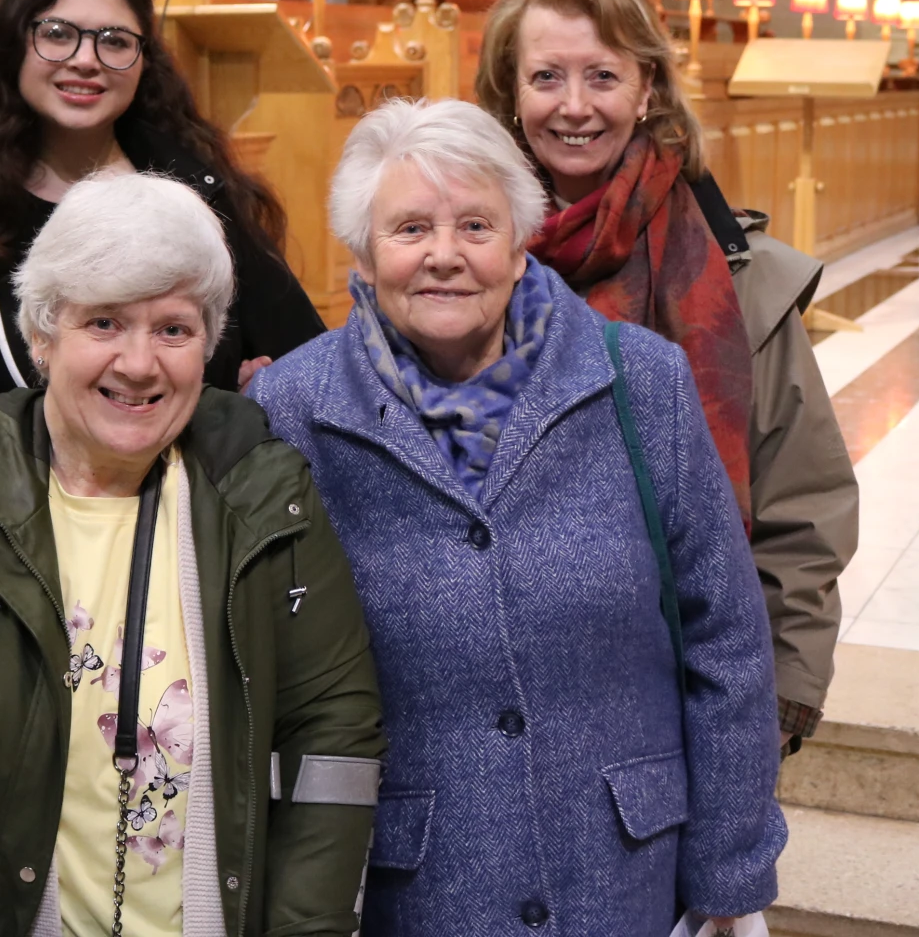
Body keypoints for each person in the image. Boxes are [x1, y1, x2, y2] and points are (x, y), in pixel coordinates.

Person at [249, 100, 785, 937]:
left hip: (628, 872)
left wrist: (730, 866)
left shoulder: (641, 380)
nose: (445, 257)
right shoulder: (294, 409)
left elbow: (726, 639)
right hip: (416, 887)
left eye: (474, 225)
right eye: (410, 229)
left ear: (519, 235)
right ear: (362, 247)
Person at [0, 172, 385, 937]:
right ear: (43, 337)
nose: (140, 363)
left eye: (174, 329)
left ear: (208, 343)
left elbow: (333, 730)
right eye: (105, 323)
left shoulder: (264, 487)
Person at [473, 0, 858, 751]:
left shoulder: (734, 279)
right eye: (546, 76)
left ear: (647, 89)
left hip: (681, 681)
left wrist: (784, 686)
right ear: (511, 95)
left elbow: (804, 502)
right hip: (495, 691)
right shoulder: (461, 262)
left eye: (603, 76)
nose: (574, 106)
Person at [0, 0, 326, 501]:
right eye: (57, 33)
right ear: (13, 45)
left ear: (144, 61)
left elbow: (310, 364)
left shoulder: (201, 202)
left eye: (115, 41)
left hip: (186, 539)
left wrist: (268, 395)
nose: (86, 59)